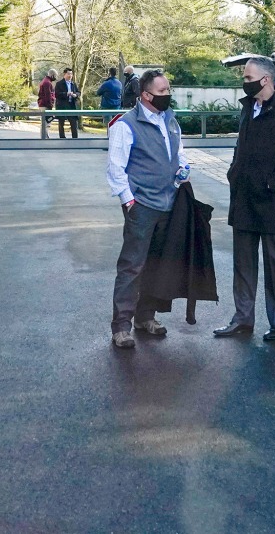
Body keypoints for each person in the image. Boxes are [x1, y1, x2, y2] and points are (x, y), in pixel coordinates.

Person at [213, 56, 275, 341]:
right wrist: (234, 172)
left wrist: (271, 184)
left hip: (272, 203)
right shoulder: (248, 109)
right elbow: (241, 146)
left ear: (265, 79)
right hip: (243, 199)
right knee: (243, 264)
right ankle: (242, 319)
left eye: (247, 77)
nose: (244, 82)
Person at [106, 70, 189, 349]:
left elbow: (178, 154)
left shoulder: (171, 120)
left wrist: (182, 171)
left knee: (156, 265)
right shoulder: (125, 125)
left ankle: (145, 317)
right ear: (146, 95)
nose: (168, 95)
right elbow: (115, 168)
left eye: (169, 89)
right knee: (132, 266)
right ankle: (121, 327)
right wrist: (129, 201)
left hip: (168, 204)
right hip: (141, 206)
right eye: (163, 91)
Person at [55, 67, 80, 139]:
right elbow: (56, 94)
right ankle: (62, 138)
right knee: (61, 123)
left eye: (71, 74)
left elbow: (78, 92)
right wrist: (66, 94)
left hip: (72, 105)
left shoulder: (73, 83)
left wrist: (75, 95)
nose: (70, 75)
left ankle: (75, 139)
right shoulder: (59, 84)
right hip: (62, 105)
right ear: (64, 74)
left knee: (74, 123)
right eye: (68, 74)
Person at [37, 69, 56, 139]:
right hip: (45, 105)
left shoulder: (45, 81)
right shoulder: (47, 83)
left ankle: (45, 136)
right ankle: (44, 137)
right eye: (55, 76)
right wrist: (51, 105)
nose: (55, 77)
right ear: (52, 75)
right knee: (45, 122)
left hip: (43, 104)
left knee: (45, 122)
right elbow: (48, 95)